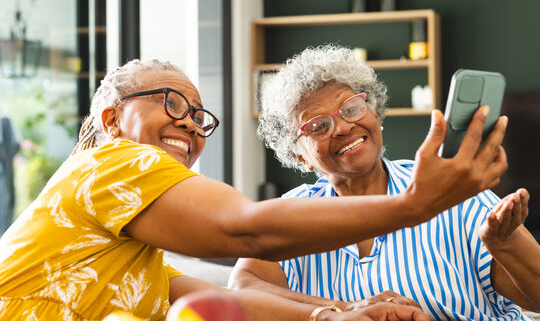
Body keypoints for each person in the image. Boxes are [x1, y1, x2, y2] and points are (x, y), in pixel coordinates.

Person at [0, 59, 507, 321]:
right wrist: (415, 204)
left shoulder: (131, 255)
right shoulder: (110, 164)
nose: (192, 126)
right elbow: (245, 231)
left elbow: (231, 302)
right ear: (112, 119)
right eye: (174, 104)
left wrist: (335, 314)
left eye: (200, 118)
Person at [229, 45, 540, 320]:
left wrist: (505, 243)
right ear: (300, 157)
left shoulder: (452, 190)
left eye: (351, 108)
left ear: (375, 114)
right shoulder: (291, 213)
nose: (341, 127)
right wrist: (344, 310)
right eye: (318, 126)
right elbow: (243, 287)